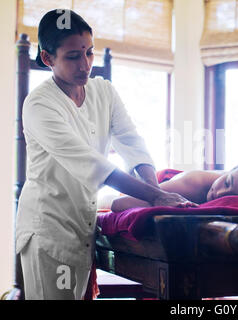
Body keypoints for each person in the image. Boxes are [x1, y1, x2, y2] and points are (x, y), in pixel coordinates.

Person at [16, 9, 196, 300]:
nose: (85, 64)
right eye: (73, 56)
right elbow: (92, 166)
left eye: (89, 52)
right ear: (48, 59)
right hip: (48, 229)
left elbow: (131, 142)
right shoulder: (39, 105)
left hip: (83, 226)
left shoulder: (104, 92)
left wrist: (155, 191)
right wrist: (155, 197)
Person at [110, 161, 238, 212]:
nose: (220, 194)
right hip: (157, 185)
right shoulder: (194, 184)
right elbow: (119, 204)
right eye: (226, 182)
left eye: (231, 196)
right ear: (230, 170)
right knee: (105, 199)